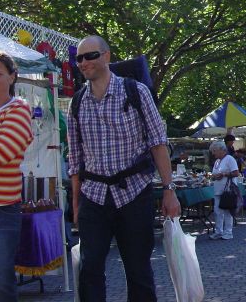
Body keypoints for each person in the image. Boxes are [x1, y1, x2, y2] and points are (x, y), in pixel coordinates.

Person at [67, 36, 180, 301]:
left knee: (138, 271)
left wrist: (169, 190)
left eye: (90, 56)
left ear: (106, 56)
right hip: (93, 196)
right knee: (89, 269)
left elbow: (157, 143)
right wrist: (76, 203)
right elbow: (75, 157)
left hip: (133, 193)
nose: (84, 63)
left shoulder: (135, 92)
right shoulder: (77, 102)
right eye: (79, 58)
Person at [0, 52, 33, 302]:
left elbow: (1, 153)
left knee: (1, 279)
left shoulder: (19, 110)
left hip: (3, 210)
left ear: (12, 77)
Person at [209, 140, 240, 240]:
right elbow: (214, 175)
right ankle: (219, 231)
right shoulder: (217, 161)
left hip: (227, 190)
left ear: (221, 150)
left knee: (227, 211)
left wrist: (224, 174)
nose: (213, 153)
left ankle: (228, 232)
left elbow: (236, 173)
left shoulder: (230, 159)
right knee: (217, 211)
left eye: (214, 151)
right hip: (218, 190)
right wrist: (213, 177)